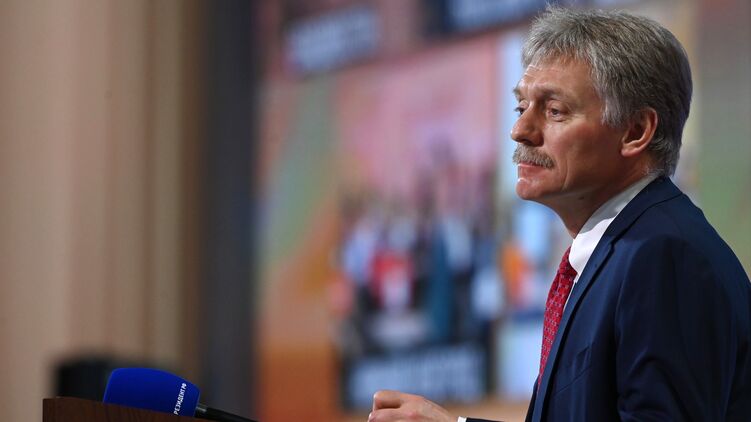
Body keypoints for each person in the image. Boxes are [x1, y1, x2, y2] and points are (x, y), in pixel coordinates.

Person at [368, 6, 751, 422]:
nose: (520, 131)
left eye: (554, 111)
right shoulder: (620, 254)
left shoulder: (662, 257)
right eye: (521, 108)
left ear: (635, 131)